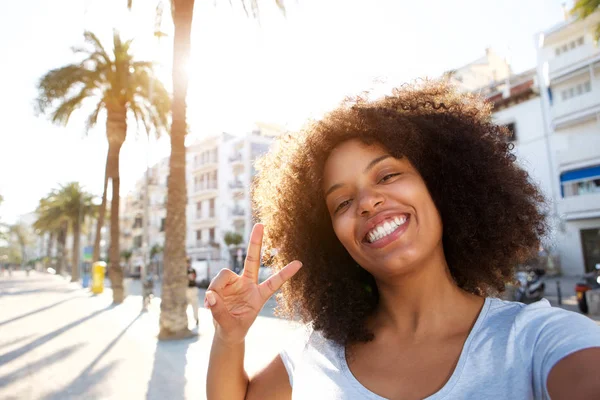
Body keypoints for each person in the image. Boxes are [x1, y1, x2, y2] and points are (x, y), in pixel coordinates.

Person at [205, 81, 600, 400]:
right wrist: (230, 336)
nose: (367, 202)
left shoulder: (538, 341)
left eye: (387, 176)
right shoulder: (319, 350)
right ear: (330, 239)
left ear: (440, 186)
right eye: (342, 201)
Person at [186, 257, 199, 327]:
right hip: (187, 289)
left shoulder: (192, 270)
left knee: (195, 305)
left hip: (193, 289)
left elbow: (193, 278)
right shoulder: (184, 270)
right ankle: (186, 321)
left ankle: (196, 319)